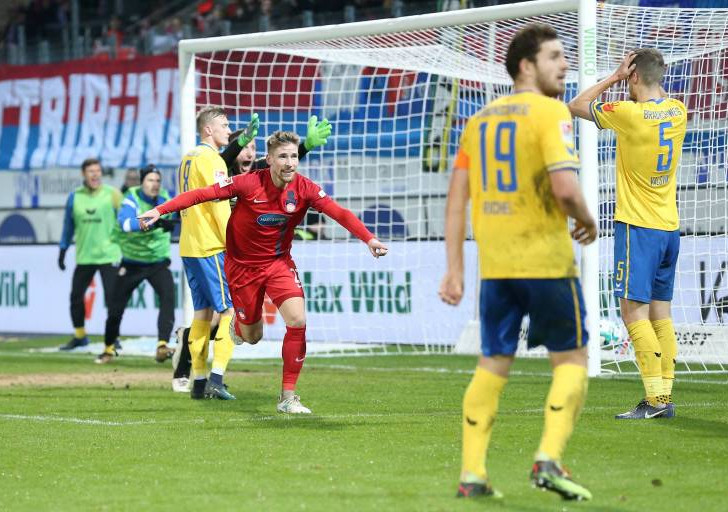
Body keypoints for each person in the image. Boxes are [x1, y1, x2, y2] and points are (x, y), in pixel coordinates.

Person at [439, 23, 596, 501]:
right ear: (526, 65)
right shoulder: (551, 113)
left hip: (498, 268)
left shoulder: (478, 120)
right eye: (554, 56)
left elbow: (456, 198)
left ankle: (472, 473)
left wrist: (455, 268)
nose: (564, 64)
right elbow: (565, 188)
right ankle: (548, 457)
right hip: (545, 261)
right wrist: (587, 218)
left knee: (492, 364)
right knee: (571, 360)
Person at [139, 130, 388, 414]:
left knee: (297, 320)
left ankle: (288, 397)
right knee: (252, 335)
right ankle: (238, 327)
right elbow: (202, 194)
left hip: (279, 263)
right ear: (268, 160)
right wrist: (161, 210)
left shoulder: (305, 188)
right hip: (242, 268)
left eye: (294, 156)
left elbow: (339, 213)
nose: (290, 162)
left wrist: (368, 238)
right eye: (283, 156)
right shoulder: (248, 183)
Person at [172, 114, 331, 391]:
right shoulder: (222, 169)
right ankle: (213, 379)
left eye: (254, 148)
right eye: (245, 146)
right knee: (226, 313)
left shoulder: (248, 172)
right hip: (219, 246)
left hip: (197, 244)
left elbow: (280, 168)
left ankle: (194, 375)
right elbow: (220, 171)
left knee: (207, 315)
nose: (250, 152)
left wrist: (304, 146)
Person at [568, 49, 687, 420]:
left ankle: (655, 400)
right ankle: (663, 395)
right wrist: (631, 79)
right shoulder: (678, 110)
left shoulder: (630, 115)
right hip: (670, 228)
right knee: (661, 314)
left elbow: (576, 105)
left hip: (639, 227)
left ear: (634, 76)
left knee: (632, 312)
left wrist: (614, 77)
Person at [95, 165, 177, 365]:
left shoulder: (166, 198)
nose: (154, 184)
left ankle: (162, 345)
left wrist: (172, 222)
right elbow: (124, 224)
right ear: (142, 182)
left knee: (168, 297)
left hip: (157, 262)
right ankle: (108, 347)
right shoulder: (131, 198)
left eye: (157, 180)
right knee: (116, 307)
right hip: (131, 262)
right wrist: (152, 222)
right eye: (150, 180)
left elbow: (177, 219)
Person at [58, 158, 122, 350]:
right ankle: (80, 335)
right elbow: (68, 226)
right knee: (76, 297)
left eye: (97, 171)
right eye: (90, 171)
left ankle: (113, 336)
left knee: (113, 299)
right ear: (83, 174)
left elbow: (126, 220)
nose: (95, 174)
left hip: (109, 254)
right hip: (85, 256)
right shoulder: (74, 197)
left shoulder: (113, 194)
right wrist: (62, 250)